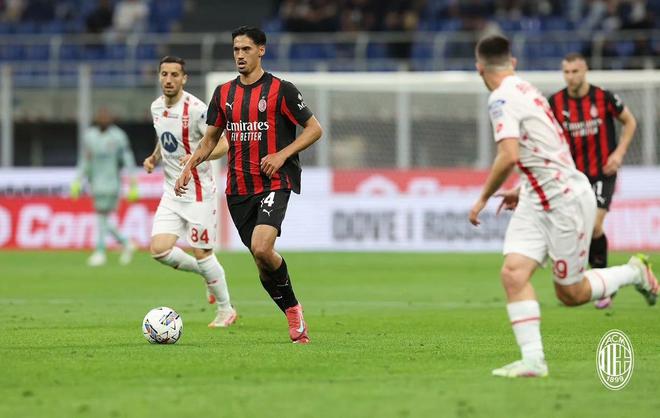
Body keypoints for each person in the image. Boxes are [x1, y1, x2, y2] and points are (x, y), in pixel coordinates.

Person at [469, 34, 657, 378]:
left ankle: (634, 272)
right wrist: (525, 188)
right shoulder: (529, 91)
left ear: (479, 68)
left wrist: (482, 197)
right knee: (513, 273)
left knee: (571, 293)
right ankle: (533, 361)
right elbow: (547, 149)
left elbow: (508, 156)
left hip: (565, 200)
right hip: (537, 197)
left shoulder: (501, 98)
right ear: (513, 63)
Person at [174, 26, 323, 344]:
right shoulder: (224, 94)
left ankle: (293, 311)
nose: (240, 55)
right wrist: (189, 167)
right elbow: (209, 139)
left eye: (246, 49)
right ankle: (291, 308)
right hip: (239, 188)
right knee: (261, 261)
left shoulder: (281, 90)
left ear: (261, 50)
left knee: (261, 247)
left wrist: (282, 155)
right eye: (236, 50)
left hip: (274, 181)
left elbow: (314, 129)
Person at [143, 56, 237, 328]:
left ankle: (226, 310)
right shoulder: (156, 107)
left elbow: (224, 145)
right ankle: (208, 274)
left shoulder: (196, 109)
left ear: (184, 78)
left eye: (175, 74)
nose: (169, 79)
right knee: (159, 250)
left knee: (202, 252)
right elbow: (165, 138)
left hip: (198, 193)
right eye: (164, 74)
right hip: (171, 192)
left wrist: (198, 157)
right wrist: (154, 157)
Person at [548, 53, 637, 309]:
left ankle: (604, 284)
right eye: (566, 72)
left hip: (601, 173)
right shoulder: (555, 102)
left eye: (575, 71)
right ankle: (594, 280)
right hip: (572, 177)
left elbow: (630, 122)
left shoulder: (603, 97)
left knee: (595, 225)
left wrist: (618, 153)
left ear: (585, 70)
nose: (570, 77)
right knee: (576, 228)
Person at [71, 107, 138, 267]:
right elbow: (85, 161)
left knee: (101, 218)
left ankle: (101, 252)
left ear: (111, 119)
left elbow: (128, 160)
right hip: (96, 184)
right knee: (103, 219)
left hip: (112, 184)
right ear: (97, 119)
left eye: (106, 117)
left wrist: (133, 183)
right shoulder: (90, 136)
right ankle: (125, 243)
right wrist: (78, 180)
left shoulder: (118, 136)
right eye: (101, 117)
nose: (103, 120)